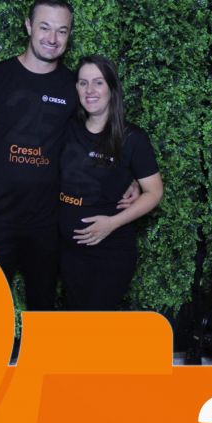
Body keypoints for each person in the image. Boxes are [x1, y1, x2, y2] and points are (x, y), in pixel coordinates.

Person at [0, 0, 138, 310]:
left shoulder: (74, 88)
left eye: (62, 30)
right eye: (44, 27)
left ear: (69, 35)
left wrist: (132, 178)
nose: (52, 38)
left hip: (47, 224)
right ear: (29, 26)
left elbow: (101, 135)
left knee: (42, 309)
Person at [59, 55, 164, 310]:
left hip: (110, 253)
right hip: (68, 252)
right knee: (73, 321)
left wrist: (111, 224)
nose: (90, 90)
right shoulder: (66, 128)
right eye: (83, 83)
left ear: (112, 88)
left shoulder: (132, 138)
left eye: (98, 82)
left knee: (97, 324)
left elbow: (154, 192)